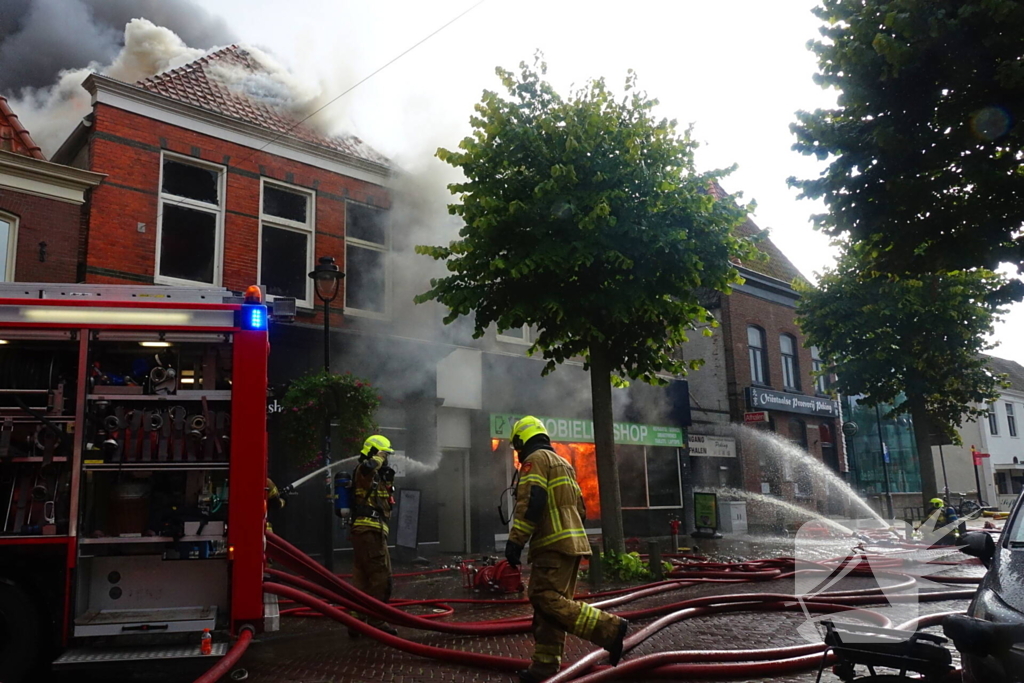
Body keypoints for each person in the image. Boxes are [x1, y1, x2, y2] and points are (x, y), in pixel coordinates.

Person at [504, 416, 628, 683]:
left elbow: (533, 501)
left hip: (551, 545)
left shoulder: (534, 460)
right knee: (548, 611)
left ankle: (610, 629)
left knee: (543, 596)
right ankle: (544, 667)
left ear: (521, 440)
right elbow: (581, 509)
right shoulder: (564, 464)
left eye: (516, 445)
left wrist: (516, 541)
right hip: (571, 546)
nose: (517, 451)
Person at [348, 434, 398, 637]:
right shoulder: (364, 469)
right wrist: (379, 457)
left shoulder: (375, 477)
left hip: (366, 533)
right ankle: (376, 620)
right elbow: (369, 467)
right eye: (385, 455)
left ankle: (355, 620)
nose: (387, 459)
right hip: (370, 533)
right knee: (381, 577)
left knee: (363, 579)